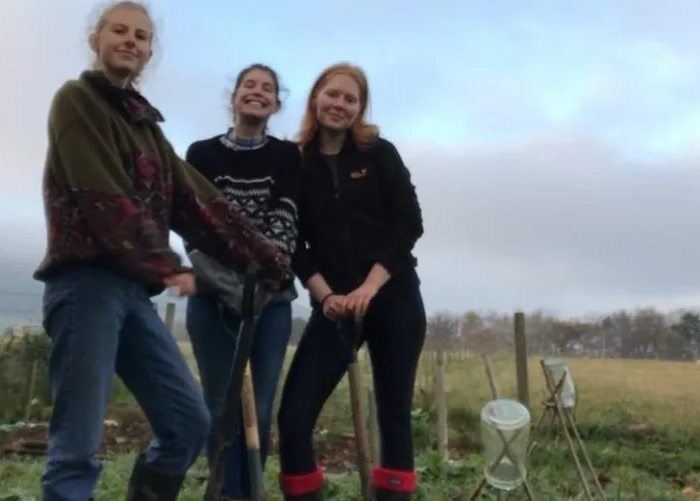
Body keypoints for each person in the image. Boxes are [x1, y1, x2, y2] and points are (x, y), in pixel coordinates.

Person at [32, 3, 290, 501]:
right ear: (95, 40)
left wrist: (263, 259)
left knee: (187, 424)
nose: (130, 41)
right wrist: (167, 263)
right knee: (77, 445)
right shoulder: (77, 101)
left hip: (133, 292)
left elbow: (196, 200)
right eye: (119, 31)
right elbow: (103, 195)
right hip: (86, 286)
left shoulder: (146, 126)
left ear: (149, 52)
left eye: (141, 36)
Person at [275, 63, 427, 501]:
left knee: (394, 416)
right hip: (335, 306)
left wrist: (369, 287)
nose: (339, 104)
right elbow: (292, 240)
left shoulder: (379, 153)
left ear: (360, 108)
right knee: (294, 416)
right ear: (315, 98)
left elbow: (409, 223)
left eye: (350, 98)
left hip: (394, 298)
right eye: (332, 94)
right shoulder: (295, 161)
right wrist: (325, 296)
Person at [183, 63, 302, 501]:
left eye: (267, 88)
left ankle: (247, 491)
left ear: (276, 104)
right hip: (212, 298)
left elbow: (285, 220)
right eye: (249, 85)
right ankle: (221, 491)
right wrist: (233, 285)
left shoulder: (287, 156)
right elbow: (196, 225)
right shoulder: (201, 154)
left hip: (270, 300)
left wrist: (261, 280)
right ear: (233, 98)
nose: (257, 92)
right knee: (219, 407)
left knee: (260, 410)